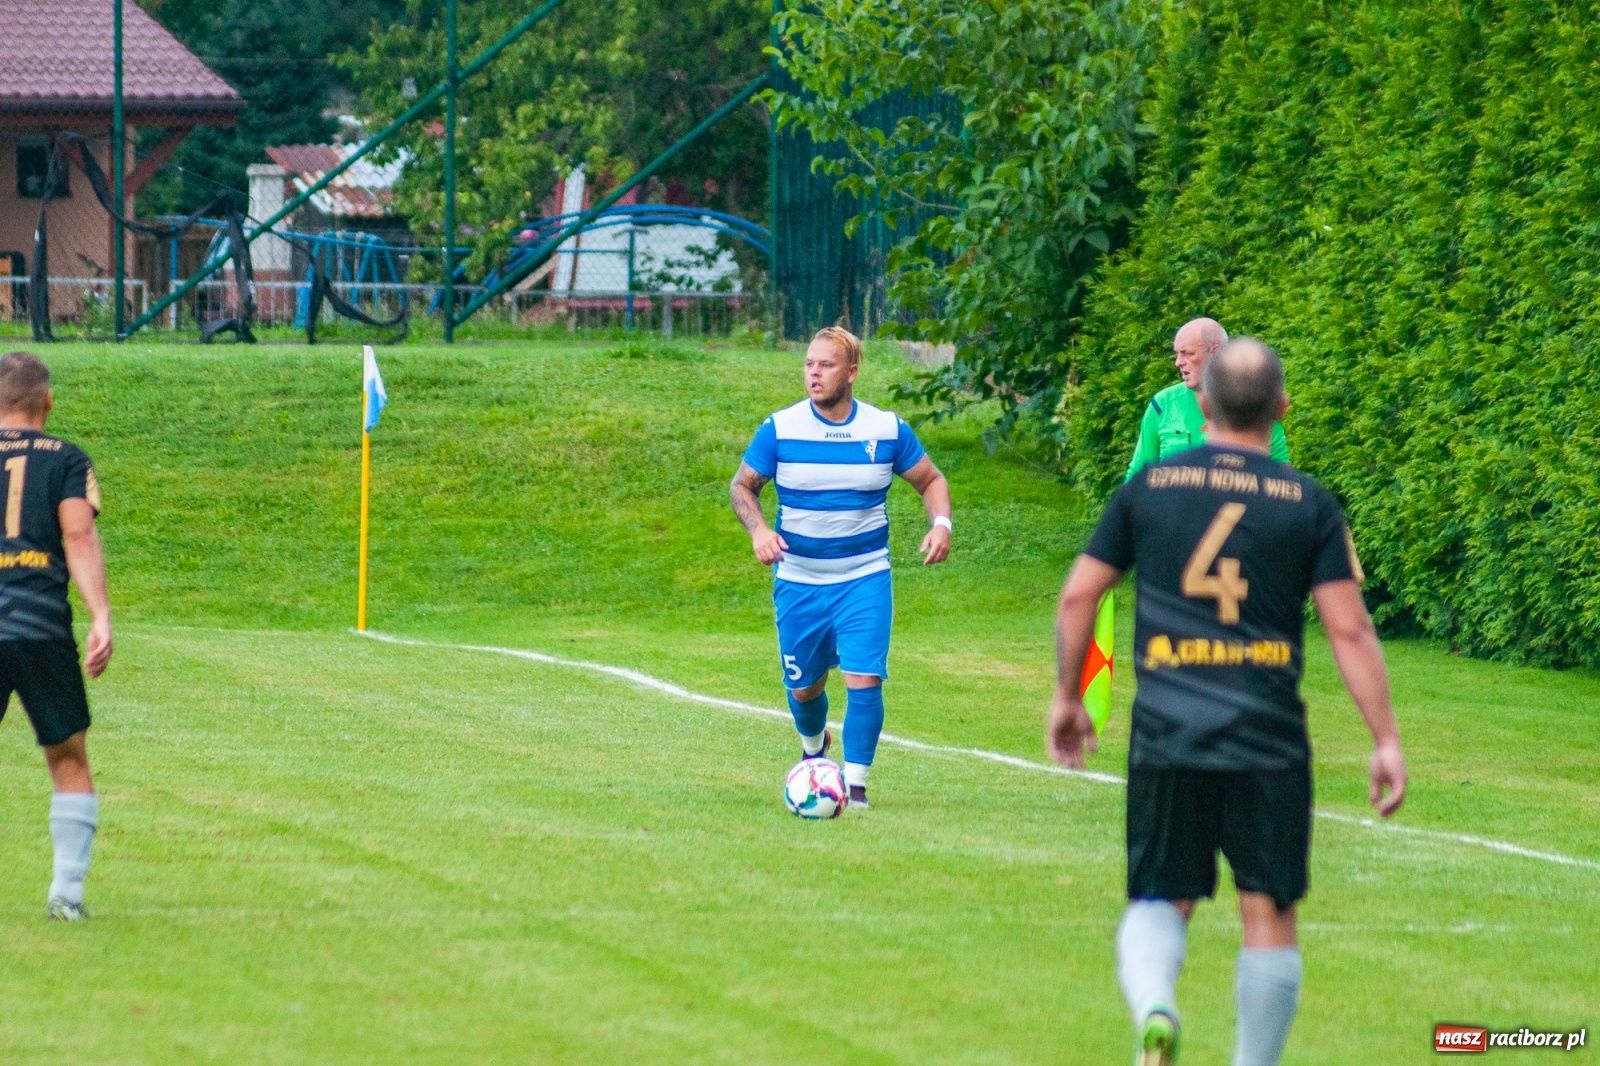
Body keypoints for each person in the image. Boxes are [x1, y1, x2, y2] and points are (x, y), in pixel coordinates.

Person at [1048, 338, 1406, 1066]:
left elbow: (1082, 592)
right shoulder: (1307, 504)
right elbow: (1350, 627)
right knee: (1269, 912)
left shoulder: (1148, 491)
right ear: (1280, 409)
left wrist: (1067, 696)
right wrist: (1386, 739)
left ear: (1201, 404)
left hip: (1169, 729)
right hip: (1267, 735)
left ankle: (1155, 1004)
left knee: (1159, 896)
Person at [730, 326, 951, 809]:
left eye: (825, 365)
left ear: (851, 372)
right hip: (799, 581)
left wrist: (942, 523)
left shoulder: (886, 430)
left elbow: (930, 478)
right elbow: (742, 486)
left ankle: (855, 787)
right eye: (809, 364)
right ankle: (814, 750)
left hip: (864, 577)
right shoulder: (780, 429)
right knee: (805, 690)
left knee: (864, 677)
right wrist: (759, 531)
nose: (814, 373)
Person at [0, 352, 112, 921]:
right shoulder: (67, 458)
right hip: (40, 623)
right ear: (48, 400)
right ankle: (65, 894)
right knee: (68, 757)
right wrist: (101, 616)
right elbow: (78, 534)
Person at [1125, 318, 1290, 478]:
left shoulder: (1253, 403)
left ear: (1216, 352)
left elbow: (1283, 477)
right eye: (1177, 354)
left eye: (1188, 354)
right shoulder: (1162, 405)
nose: (1178, 362)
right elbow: (1138, 473)